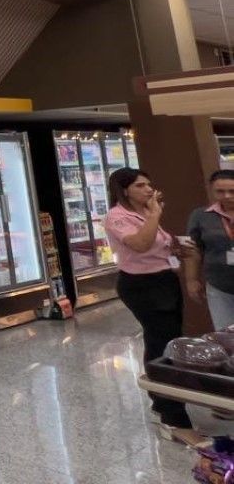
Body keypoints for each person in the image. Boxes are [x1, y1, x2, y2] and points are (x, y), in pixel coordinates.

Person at [102, 167, 202, 446]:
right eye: (140, 186)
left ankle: (161, 401)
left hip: (164, 280)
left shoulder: (144, 213)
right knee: (162, 346)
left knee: (169, 341)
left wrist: (176, 249)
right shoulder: (117, 217)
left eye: (148, 184)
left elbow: (158, 246)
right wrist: (155, 214)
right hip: (142, 286)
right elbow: (141, 245)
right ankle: (174, 419)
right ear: (124, 190)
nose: (148, 189)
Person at [185, 170, 234, 330]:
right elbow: (193, 249)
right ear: (211, 190)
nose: (227, 196)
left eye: (232, 191)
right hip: (219, 284)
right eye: (220, 191)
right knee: (225, 332)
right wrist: (191, 280)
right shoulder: (200, 216)